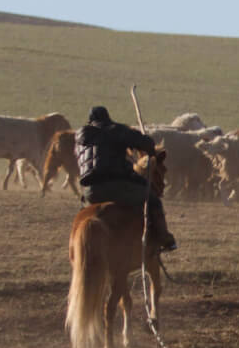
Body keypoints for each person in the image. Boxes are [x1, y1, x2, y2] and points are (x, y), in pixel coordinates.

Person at [75, 105, 176, 252]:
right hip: (116, 186)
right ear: (107, 117)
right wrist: (147, 143)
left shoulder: (80, 137)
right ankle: (164, 239)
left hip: (90, 191)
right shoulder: (115, 129)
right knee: (153, 200)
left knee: (82, 217)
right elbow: (146, 144)